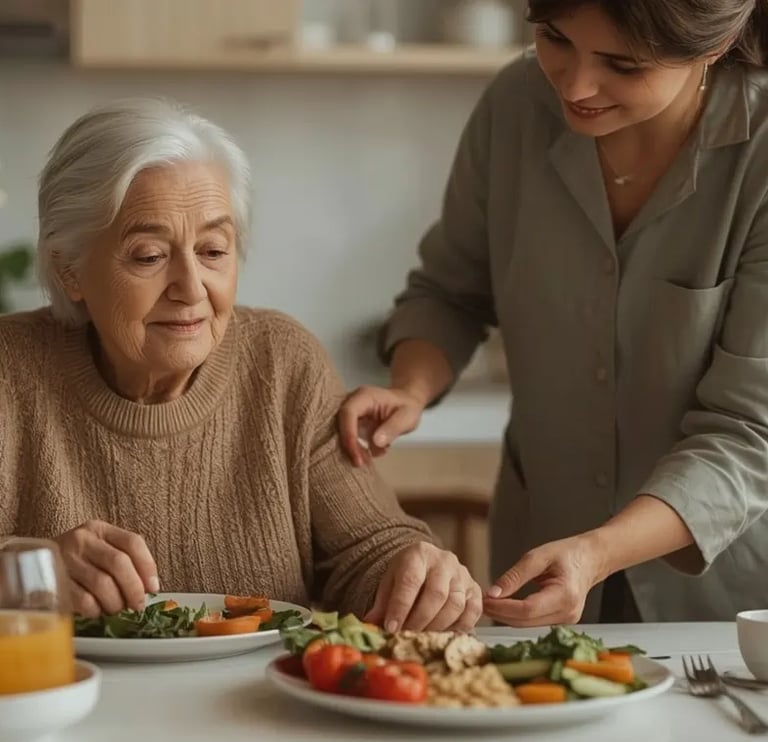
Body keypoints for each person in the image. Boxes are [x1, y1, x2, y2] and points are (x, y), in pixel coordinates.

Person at [338, 0, 768, 624]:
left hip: (722, 605)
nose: (576, 84)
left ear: (713, 45)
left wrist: (596, 554)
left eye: (621, 63)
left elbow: (747, 432)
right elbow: (450, 292)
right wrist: (410, 387)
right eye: (554, 38)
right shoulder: (515, 104)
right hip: (536, 558)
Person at [0, 98, 482, 633]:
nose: (190, 289)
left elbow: (369, 547)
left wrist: (415, 570)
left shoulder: (282, 362)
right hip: (67, 706)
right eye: (148, 256)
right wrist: (22, 573)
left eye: (212, 251)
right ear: (70, 272)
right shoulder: (9, 369)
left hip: (261, 708)